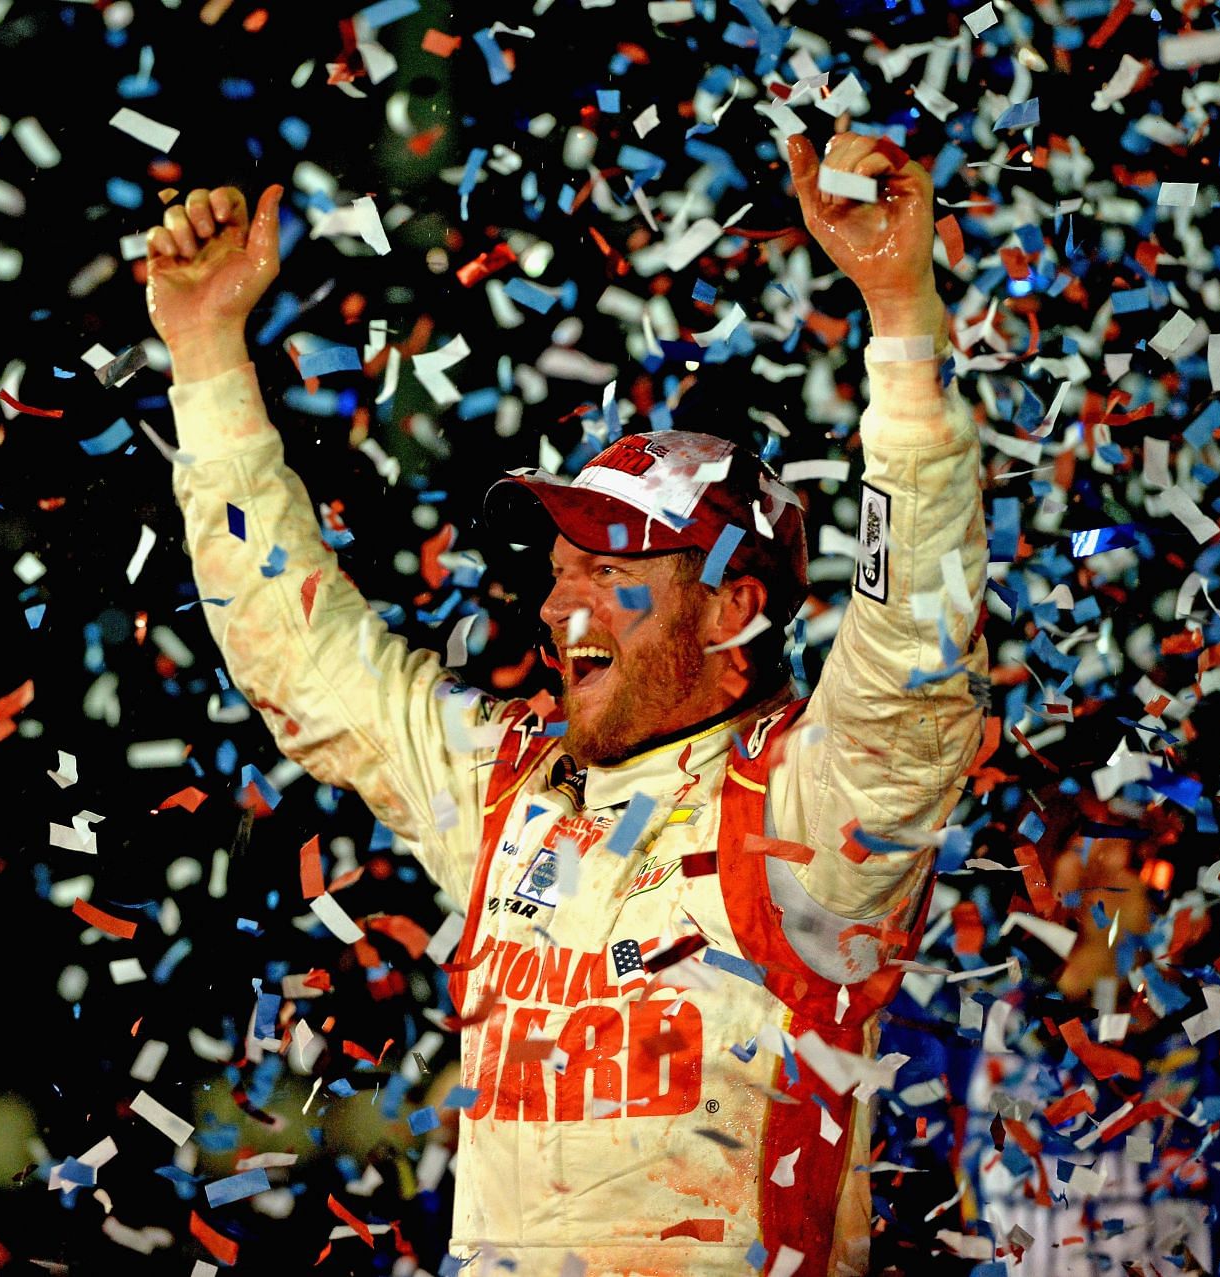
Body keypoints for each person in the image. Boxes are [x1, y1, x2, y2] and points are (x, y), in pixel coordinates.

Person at [145, 130, 987, 1277]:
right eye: (558, 565)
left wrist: (900, 321)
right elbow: (300, 658)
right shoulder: (505, 785)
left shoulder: (810, 802)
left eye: (612, 566)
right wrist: (204, 360)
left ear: (735, 605)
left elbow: (914, 649)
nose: (558, 603)